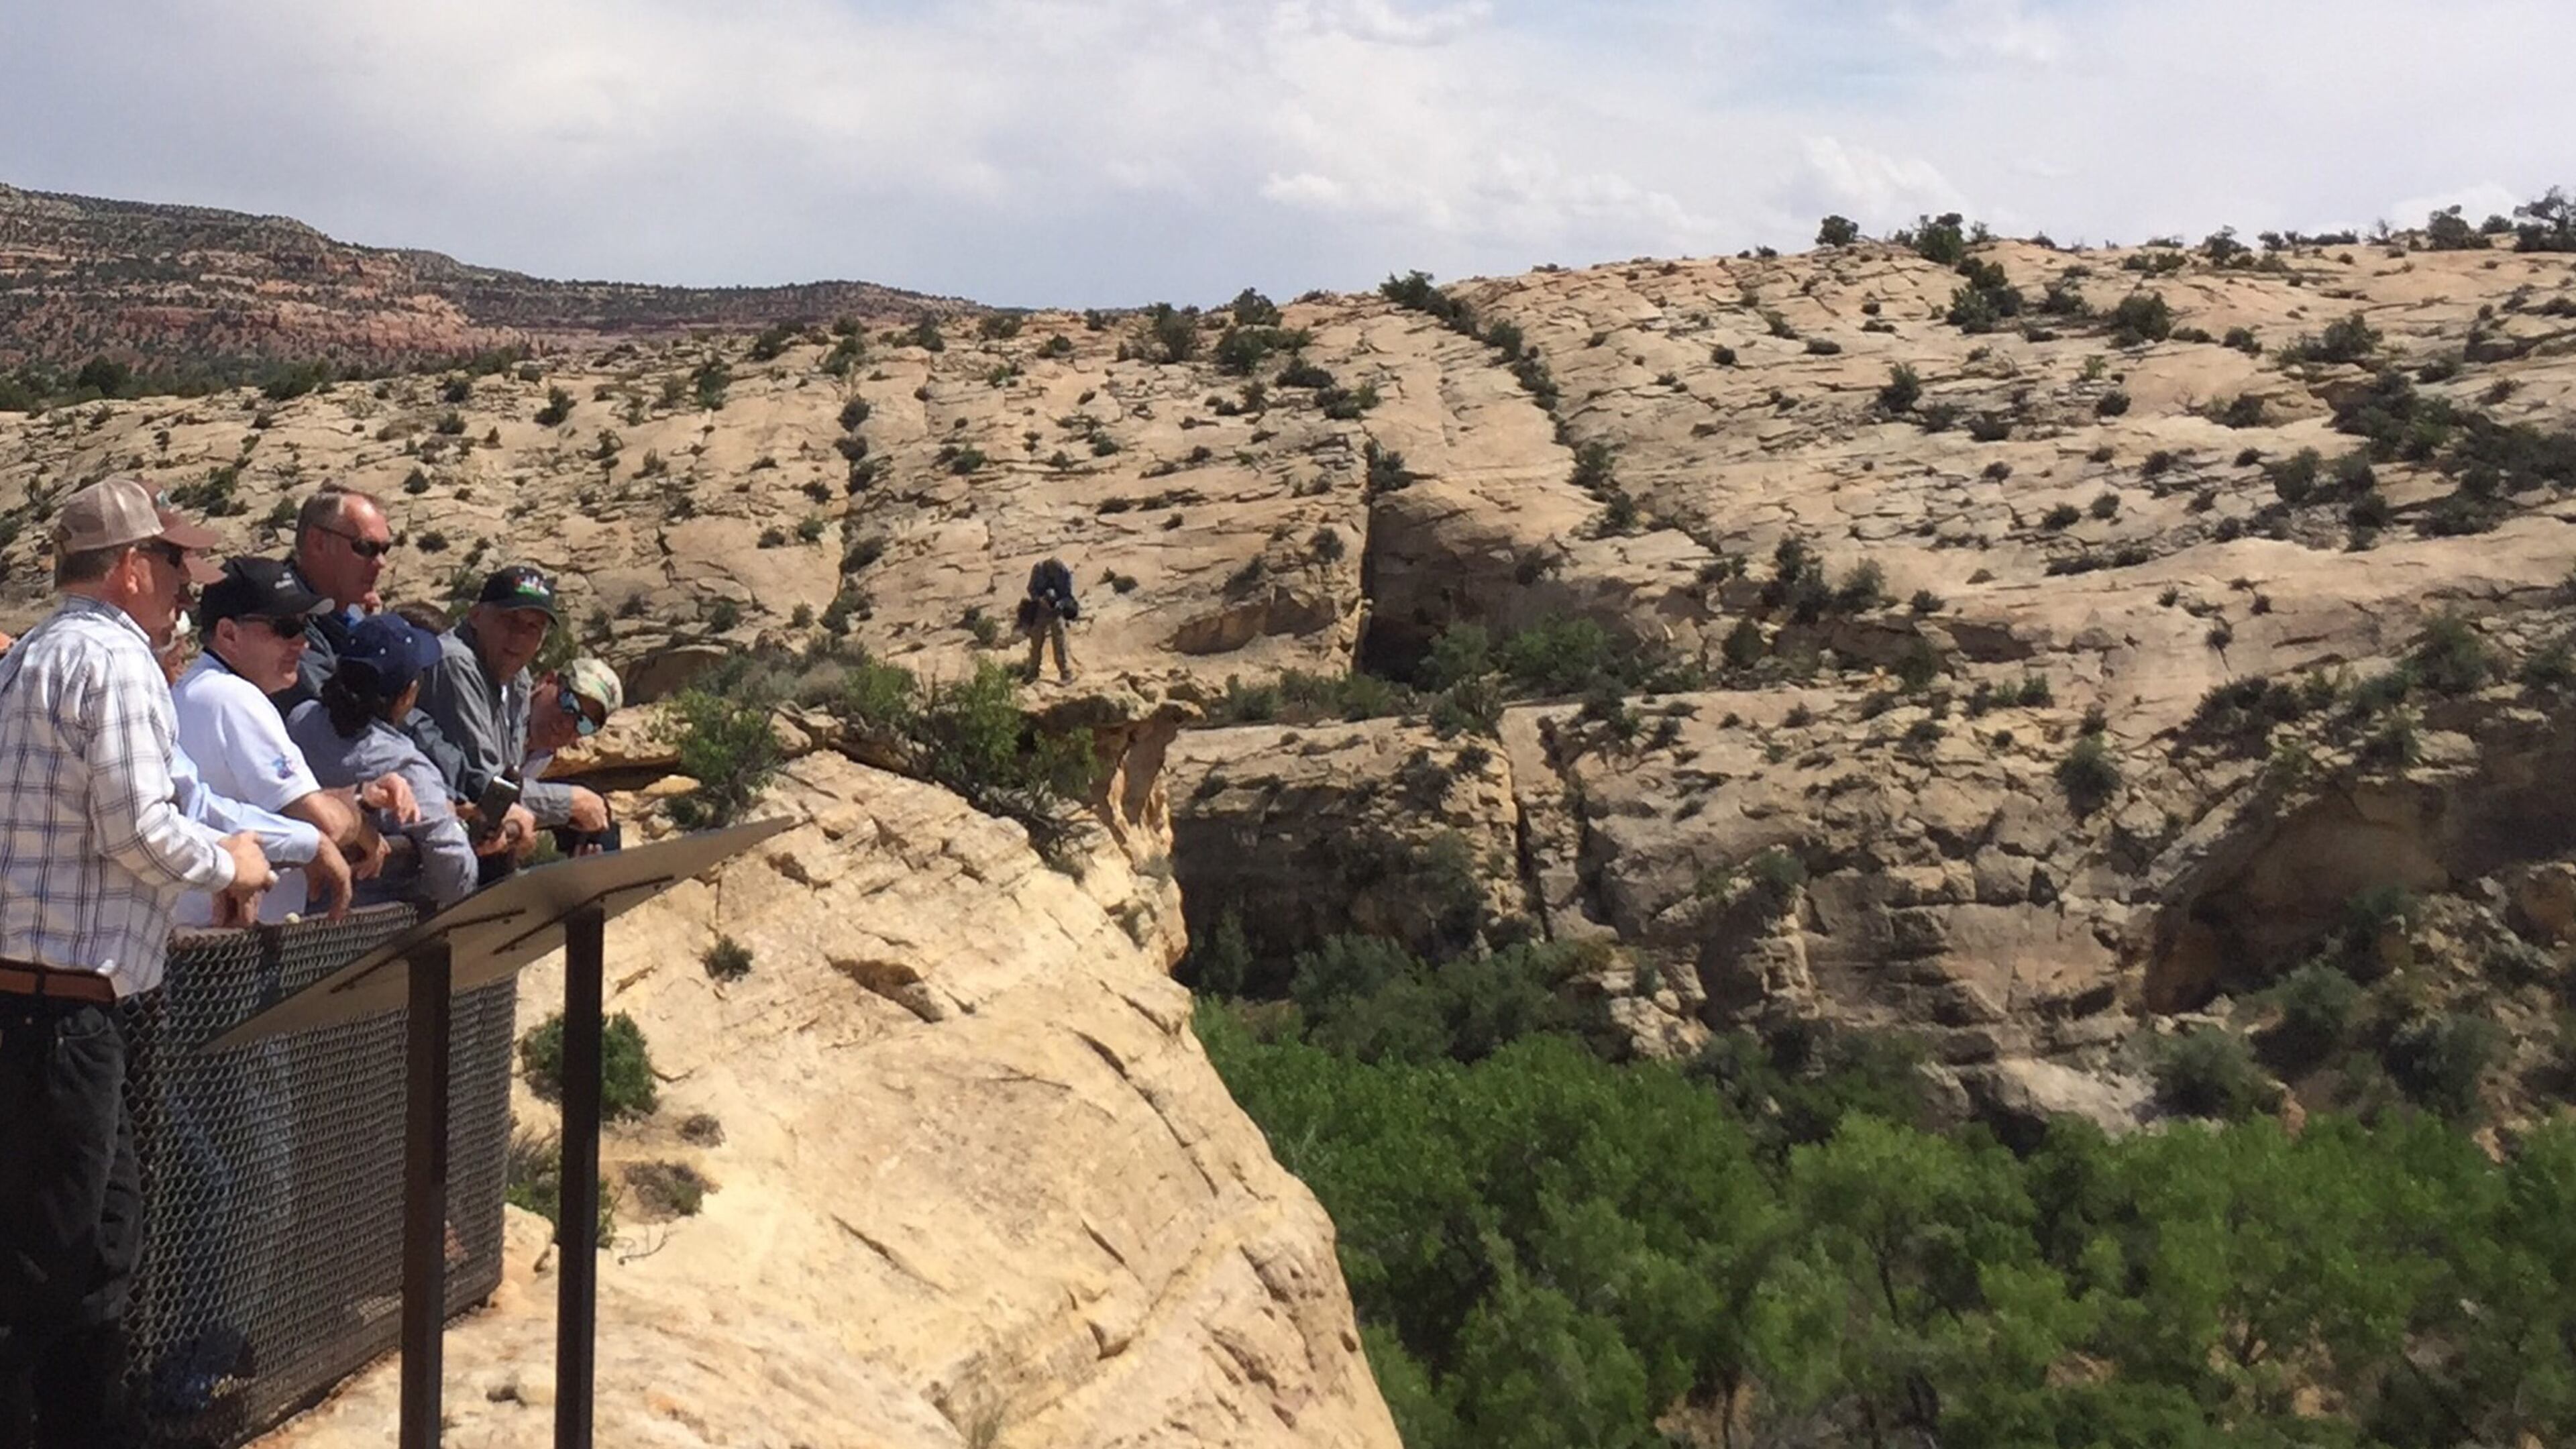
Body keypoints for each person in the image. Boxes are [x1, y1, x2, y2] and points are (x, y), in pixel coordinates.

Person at [0, 476, 274, 1447]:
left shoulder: (30, 653)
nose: (188, 585)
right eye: (175, 562)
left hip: (50, 1008)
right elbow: (139, 829)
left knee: (90, 1256)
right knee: (54, 1268)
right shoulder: (114, 663)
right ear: (129, 567)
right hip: (65, 1015)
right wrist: (234, 860)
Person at [170, 559, 403, 925]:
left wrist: (355, 798)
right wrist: (360, 825)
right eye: (287, 627)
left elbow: (264, 807)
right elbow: (325, 824)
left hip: (204, 934)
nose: (303, 643)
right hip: (227, 944)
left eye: (306, 625)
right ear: (229, 634)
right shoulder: (235, 699)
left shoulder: (197, 691)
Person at [272, 488, 468, 789]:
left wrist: (471, 782)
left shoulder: (351, 616)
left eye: (385, 550)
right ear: (317, 542)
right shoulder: (284, 625)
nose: (380, 563)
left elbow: (407, 714)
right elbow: (351, 721)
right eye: (365, 548)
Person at [288, 615, 477, 912]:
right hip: (366, 931)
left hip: (287, 910)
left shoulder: (301, 720)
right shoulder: (408, 767)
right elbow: (454, 879)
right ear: (407, 694)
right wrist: (459, 828)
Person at [412, 566, 557, 884]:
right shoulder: (456, 662)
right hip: (429, 867)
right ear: (476, 616)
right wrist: (572, 804)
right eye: (510, 621)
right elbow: (487, 778)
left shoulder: (516, 678)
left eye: (533, 628)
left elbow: (509, 774)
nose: (520, 636)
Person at [521, 658, 623, 856]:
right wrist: (570, 802)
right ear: (547, 681)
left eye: (584, 723)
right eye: (569, 702)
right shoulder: (500, 714)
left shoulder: (542, 755)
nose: (568, 724)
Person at [1017, 556, 1078, 683]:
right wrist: (1040, 600)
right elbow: (1031, 589)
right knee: (1036, 640)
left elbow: (1068, 596)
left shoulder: (1064, 572)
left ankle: (1065, 673)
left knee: (1059, 640)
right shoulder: (1039, 569)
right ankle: (1033, 672)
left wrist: (1059, 604)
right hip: (1040, 608)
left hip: (1056, 610)